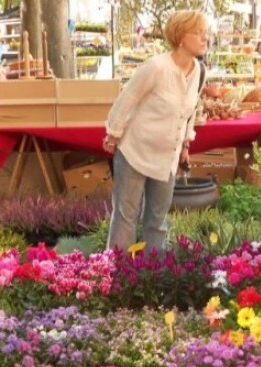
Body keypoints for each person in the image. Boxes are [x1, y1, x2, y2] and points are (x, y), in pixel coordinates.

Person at [103, 10, 207, 252]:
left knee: (157, 222)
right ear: (181, 36)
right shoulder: (156, 67)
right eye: (198, 32)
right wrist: (113, 133)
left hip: (166, 159)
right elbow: (126, 99)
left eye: (205, 32)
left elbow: (190, 111)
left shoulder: (199, 71)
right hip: (135, 152)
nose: (205, 38)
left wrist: (185, 144)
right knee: (125, 220)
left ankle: (153, 272)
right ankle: (117, 271)